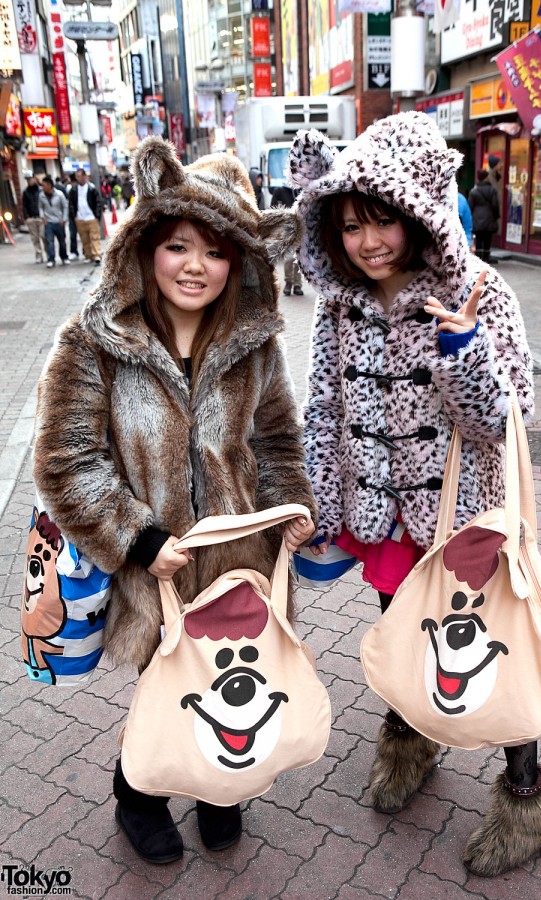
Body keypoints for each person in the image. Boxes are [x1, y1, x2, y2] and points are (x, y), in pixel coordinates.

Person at [288, 112, 541, 878]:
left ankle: (526, 787)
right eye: (349, 228)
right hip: (387, 520)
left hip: (465, 515)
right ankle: (411, 740)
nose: (368, 243)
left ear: (415, 215)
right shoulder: (339, 305)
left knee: (488, 650)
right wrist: (322, 505)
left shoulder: (479, 290)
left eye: (381, 223)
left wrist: (461, 352)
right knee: (409, 641)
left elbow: (507, 419)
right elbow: (324, 410)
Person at [32, 136, 316, 865]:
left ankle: (221, 789)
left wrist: (292, 508)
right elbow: (67, 460)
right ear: (146, 244)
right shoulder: (94, 341)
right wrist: (140, 539)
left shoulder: (256, 346)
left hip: (242, 564)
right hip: (153, 567)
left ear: (240, 264)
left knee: (233, 677)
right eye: (179, 245)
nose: (196, 266)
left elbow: (279, 442)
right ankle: (141, 795)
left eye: (216, 253)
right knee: (164, 685)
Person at [271, 185, 303, 295]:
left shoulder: (301, 191)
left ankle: (298, 285)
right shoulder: (280, 191)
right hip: (287, 229)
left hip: (301, 228)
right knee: (289, 257)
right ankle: (289, 282)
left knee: (299, 258)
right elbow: (273, 207)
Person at [69, 168, 103, 264]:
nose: (78, 178)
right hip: (80, 218)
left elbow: (98, 203)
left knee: (95, 237)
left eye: (79, 176)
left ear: (84, 176)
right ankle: (88, 255)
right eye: (77, 176)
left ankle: (97, 255)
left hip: (91, 217)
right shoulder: (74, 189)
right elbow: (71, 203)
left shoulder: (92, 188)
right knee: (85, 239)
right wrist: (74, 216)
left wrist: (97, 215)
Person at [468, 168, 499, 264]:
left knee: (478, 238)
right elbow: (495, 205)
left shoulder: (474, 191)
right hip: (489, 218)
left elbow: (470, 206)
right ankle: (486, 257)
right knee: (487, 238)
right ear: (486, 177)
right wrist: (496, 216)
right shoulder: (492, 190)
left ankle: (478, 258)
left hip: (477, 219)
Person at [39, 175, 70, 268]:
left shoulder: (59, 194)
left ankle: (64, 257)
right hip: (49, 222)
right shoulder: (41, 195)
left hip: (59, 221)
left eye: (44, 185)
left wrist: (64, 219)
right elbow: (40, 207)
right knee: (50, 241)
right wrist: (42, 216)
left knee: (62, 241)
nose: (42, 187)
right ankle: (51, 259)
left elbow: (65, 206)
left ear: (49, 185)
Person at [22, 174, 46, 263]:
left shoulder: (40, 190)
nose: (29, 181)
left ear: (34, 179)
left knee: (44, 236)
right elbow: (24, 205)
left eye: (30, 179)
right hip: (31, 217)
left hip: (41, 217)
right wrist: (26, 217)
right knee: (35, 238)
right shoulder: (25, 192)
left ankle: (48, 253)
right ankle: (39, 255)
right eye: (27, 180)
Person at [65, 173, 80, 259]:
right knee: (73, 234)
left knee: (83, 235)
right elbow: (70, 203)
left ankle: (86, 252)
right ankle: (74, 251)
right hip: (73, 215)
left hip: (82, 216)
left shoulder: (85, 187)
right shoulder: (70, 189)